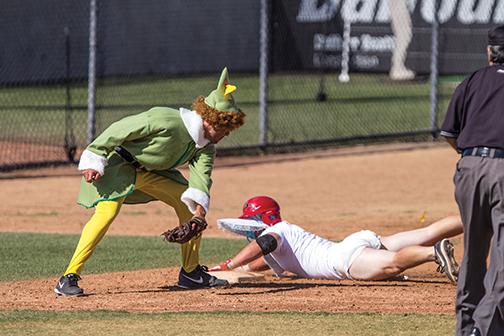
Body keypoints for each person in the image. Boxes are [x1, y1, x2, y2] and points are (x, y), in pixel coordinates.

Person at [54, 68, 245, 296]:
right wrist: (94, 157)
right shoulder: (167, 120)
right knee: (106, 213)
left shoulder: (205, 148)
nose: (227, 133)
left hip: (149, 174)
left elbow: (201, 180)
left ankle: (191, 273)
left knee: (187, 204)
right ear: (211, 121)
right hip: (116, 167)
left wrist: (199, 215)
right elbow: (121, 128)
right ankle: (68, 277)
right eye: (225, 128)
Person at [210, 196, 462, 285]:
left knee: (395, 264)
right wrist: (232, 268)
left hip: (345, 260)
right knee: (425, 231)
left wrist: (230, 264)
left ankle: (434, 253)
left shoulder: (274, 234)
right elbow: (258, 263)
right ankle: (480, 217)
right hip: (354, 243)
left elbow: (264, 245)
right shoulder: (284, 236)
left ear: (260, 220)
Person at [440, 25, 504, 336]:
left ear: (490, 52)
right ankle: (486, 327)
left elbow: (450, 133)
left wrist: (472, 160)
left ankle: (466, 329)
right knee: (503, 259)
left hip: (469, 167)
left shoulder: (473, 79)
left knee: (474, 252)